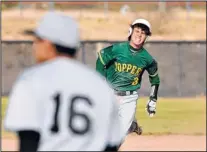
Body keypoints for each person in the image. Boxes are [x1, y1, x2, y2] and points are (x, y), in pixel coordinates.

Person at [4, 12, 124, 152]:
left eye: (37, 40)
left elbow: (28, 138)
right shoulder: (100, 84)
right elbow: (111, 144)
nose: (34, 46)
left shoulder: (31, 79)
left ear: (48, 44)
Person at [96, 18, 160, 136]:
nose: (139, 35)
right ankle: (131, 125)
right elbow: (101, 60)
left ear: (147, 37)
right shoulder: (117, 49)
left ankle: (129, 125)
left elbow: (155, 78)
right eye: (137, 31)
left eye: (143, 33)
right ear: (131, 32)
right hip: (110, 94)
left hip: (129, 98)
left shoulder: (147, 59)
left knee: (118, 137)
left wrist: (153, 99)